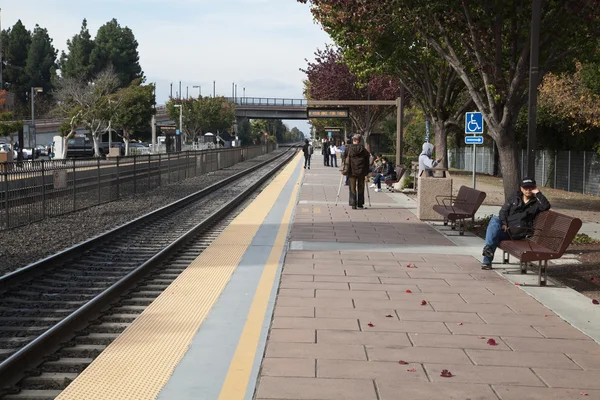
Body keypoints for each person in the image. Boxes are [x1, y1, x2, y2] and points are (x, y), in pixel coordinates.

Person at [481, 177, 551, 270]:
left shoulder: (536, 204)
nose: (528, 190)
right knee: (495, 223)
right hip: (508, 229)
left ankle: (487, 259)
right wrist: (504, 223)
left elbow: (546, 206)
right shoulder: (514, 198)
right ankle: (487, 255)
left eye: (531, 188)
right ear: (521, 188)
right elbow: (503, 212)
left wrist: (538, 193)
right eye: (526, 188)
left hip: (519, 230)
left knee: (494, 233)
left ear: (534, 188)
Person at [342, 134, 370, 209]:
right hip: (361, 171)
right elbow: (367, 161)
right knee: (361, 187)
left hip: (351, 171)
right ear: (359, 141)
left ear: (354, 140)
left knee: (352, 187)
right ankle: (360, 203)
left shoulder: (348, 148)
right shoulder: (363, 150)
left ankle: (353, 203)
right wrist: (366, 172)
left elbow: (344, 158)